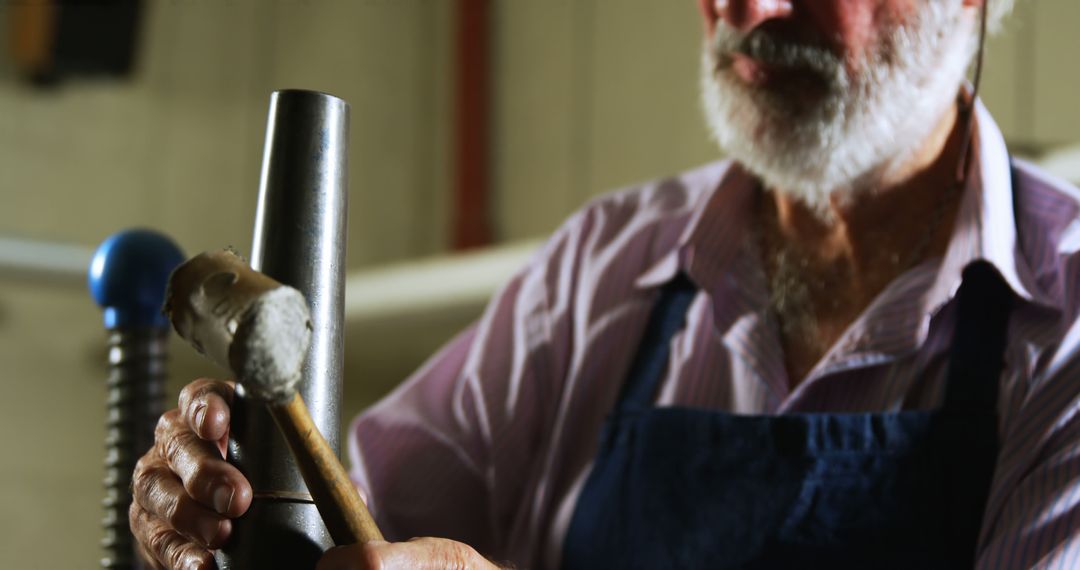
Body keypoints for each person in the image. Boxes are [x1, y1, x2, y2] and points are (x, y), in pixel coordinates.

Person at [130, 0, 1080, 568]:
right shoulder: (601, 269)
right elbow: (360, 521)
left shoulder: (1064, 322)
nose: (749, 6)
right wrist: (226, 505)